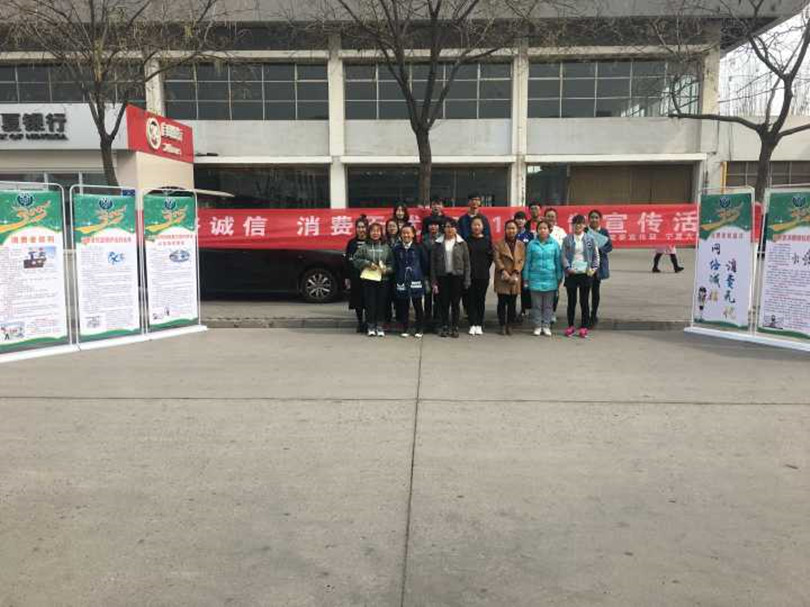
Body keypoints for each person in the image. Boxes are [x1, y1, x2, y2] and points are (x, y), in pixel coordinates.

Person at [431, 218, 470, 338]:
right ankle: (444, 326)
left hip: (457, 277)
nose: (449, 229)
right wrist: (434, 281)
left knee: (455, 303)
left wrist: (467, 279)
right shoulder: (437, 243)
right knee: (444, 303)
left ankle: (455, 326)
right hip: (442, 276)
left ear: (456, 229)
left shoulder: (462, 243)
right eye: (447, 227)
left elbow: (467, 263)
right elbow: (433, 264)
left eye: (452, 227)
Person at [524, 219, 564, 337]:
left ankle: (546, 325)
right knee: (536, 305)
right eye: (540, 228)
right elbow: (527, 262)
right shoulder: (532, 244)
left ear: (549, 230)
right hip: (535, 278)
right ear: (537, 230)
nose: (542, 230)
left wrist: (559, 276)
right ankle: (537, 326)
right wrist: (526, 277)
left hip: (550, 278)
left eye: (545, 228)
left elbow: (558, 261)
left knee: (548, 305)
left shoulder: (554, 244)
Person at [561, 215, 600, 338]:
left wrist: (593, 269)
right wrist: (568, 268)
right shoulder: (567, 239)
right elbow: (563, 256)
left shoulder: (590, 239)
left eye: (581, 223)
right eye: (575, 223)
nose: (578, 226)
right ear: (572, 225)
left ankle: (584, 327)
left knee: (584, 301)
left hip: (585, 274)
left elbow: (596, 256)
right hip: (571, 273)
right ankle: (570, 326)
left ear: (584, 225)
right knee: (571, 301)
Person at [353, 222, 394, 337]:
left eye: (377, 231)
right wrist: (367, 263)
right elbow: (356, 259)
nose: (375, 233)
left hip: (383, 280)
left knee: (381, 303)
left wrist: (387, 269)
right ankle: (370, 326)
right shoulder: (364, 247)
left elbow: (392, 263)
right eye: (373, 231)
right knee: (370, 303)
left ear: (381, 233)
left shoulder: (386, 247)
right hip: (369, 279)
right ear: (369, 233)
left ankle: (380, 326)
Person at [393, 224, 427, 338]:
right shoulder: (397, 249)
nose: (406, 235)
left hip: (416, 279)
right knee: (404, 306)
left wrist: (420, 275)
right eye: (403, 233)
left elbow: (425, 263)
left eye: (408, 233)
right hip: (401, 279)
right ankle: (405, 328)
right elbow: (395, 265)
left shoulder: (419, 247)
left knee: (418, 305)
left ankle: (419, 328)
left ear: (413, 234)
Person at [493, 219, 526, 335]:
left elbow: (522, 260)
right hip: (502, 276)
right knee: (502, 302)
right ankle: (502, 324)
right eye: (508, 228)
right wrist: (503, 271)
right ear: (505, 230)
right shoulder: (498, 243)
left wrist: (516, 272)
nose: (511, 230)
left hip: (515, 276)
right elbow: (496, 259)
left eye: (513, 228)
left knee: (512, 303)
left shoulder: (521, 244)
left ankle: (510, 325)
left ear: (517, 230)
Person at [587, 209, 614, 328]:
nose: (594, 219)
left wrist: (599, 250)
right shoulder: (585, 230)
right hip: (586, 265)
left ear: (600, 219)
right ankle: (585, 315)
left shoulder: (604, 231)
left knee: (595, 291)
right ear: (588, 219)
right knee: (585, 291)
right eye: (592, 217)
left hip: (598, 265)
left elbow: (610, 246)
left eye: (596, 217)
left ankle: (594, 315)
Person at [466, 216, 493, 335]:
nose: (476, 227)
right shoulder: (467, 241)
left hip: (483, 275)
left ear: (482, 227)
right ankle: (472, 323)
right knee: (470, 299)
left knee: (480, 299)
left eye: (478, 225)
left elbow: (490, 258)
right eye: (474, 225)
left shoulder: (487, 241)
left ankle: (479, 324)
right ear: (471, 227)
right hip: (470, 275)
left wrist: (484, 267)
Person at [344, 216, 369, 333]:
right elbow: (347, 260)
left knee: (368, 300)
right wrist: (347, 277)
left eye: (363, 227)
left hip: (369, 276)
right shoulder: (351, 243)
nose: (361, 229)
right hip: (355, 276)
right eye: (359, 227)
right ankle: (360, 322)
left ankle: (368, 322)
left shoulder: (371, 241)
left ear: (367, 228)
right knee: (357, 301)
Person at [545, 207, 567, 323]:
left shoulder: (561, 232)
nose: (550, 218)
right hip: (542, 267)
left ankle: (552, 312)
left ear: (556, 218)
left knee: (554, 291)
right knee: (542, 291)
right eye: (548, 216)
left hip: (556, 266)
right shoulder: (540, 229)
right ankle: (542, 313)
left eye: (552, 216)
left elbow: (566, 248)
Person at [421, 220, 441, 332]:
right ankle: (427, 322)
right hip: (426, 273)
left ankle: (437, 323)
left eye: (435, 224)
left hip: (439, 273)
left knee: (438, 299)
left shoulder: (443, 238)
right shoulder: (423, 239)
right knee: (427, 298)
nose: (433, 227)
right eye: (431, 225)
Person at [514, 211, 534, 321]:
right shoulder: (512, 232)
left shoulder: (530, 235)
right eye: (518, 218)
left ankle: (524, 309)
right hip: (514, 265)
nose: (520, 221)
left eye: (522, 219)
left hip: (526, 266)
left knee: (525, 289)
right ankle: (512, 310)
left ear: (525, 221)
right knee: (513, 288)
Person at [384, 219, 401, 326]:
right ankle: (387, 319)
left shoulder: (402, 239)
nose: (392, 228)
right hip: (386, 272)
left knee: (399, 296)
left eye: (394, 226)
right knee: (386, 297)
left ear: (398, 227)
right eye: (389, 226)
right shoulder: (383, 240)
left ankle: (399, 319)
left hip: (399, 272)